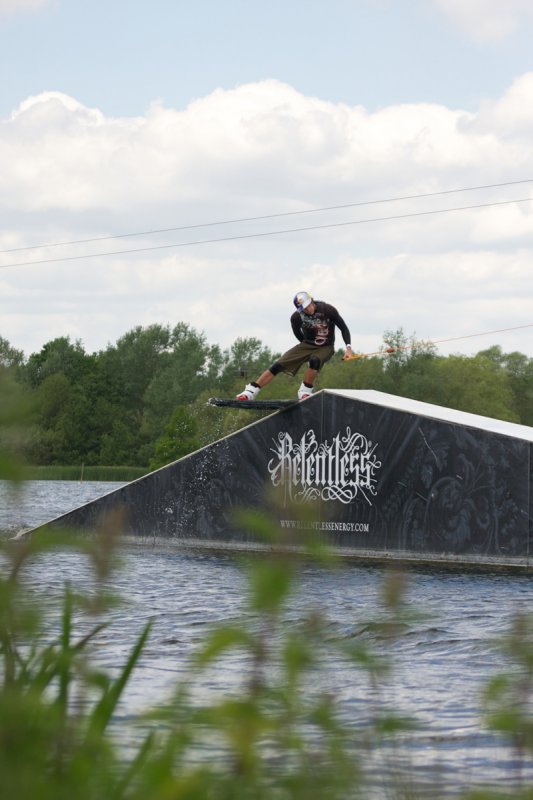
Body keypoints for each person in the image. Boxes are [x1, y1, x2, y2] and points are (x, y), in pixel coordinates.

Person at [236, 291, 353, 401]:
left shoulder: (327, 309)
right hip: (307, 344)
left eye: (309, 305)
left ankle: (305, 390)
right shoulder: (296, 317)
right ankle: (251, 391)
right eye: (304, 309)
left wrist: (348, 348)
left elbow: (343, 328)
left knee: (314, 360)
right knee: (279, 364)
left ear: (312, 301)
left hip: (326, 346)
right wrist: (304, 350)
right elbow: (297, 333)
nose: (308, 309)